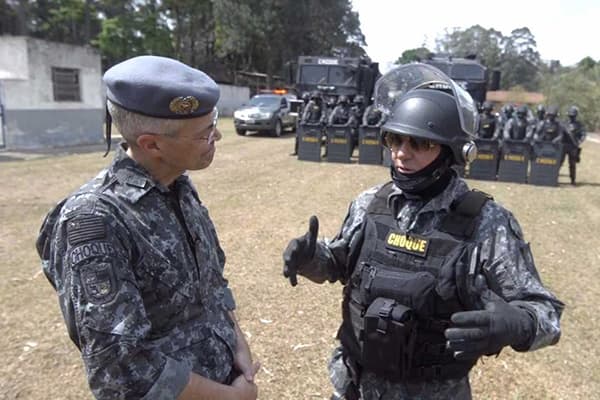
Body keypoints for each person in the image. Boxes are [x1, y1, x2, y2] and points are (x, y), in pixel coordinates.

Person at [282, 63, 563, 400]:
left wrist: (517, 324)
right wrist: (312, 257)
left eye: (419, 143)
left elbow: (546, 314)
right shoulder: (371, 203)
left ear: (453, 150)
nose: (402, 152)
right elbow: (341, 264)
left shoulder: (486, 223)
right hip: (353, 388)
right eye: (394, 138)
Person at [36, 55, 259, 400]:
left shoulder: (178, 189)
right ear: (151, 144)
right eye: (203, 134)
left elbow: (212, 288)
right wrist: (230, 397)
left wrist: (238, 347)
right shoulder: (95, 219)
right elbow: (120, 368)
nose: (217, 135)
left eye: (212, 123)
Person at [561, 106, 586, 185]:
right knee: (559, 162)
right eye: (570, 115)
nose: (571, 117)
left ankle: (572, 180)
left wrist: (578, 142)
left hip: (573, 146)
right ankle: (553, 177)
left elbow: (583, 135)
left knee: (572, 164)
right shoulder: (564, 123)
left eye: (573, 115)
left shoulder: (579, 125)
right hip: (564, 145)